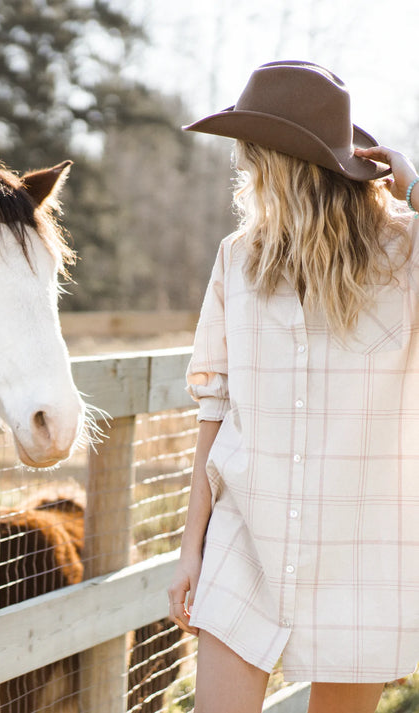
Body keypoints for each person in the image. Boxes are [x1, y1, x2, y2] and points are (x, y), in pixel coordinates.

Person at [168, 60, 419, 713]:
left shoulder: (405, 255)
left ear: (281, 163)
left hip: (360, 551)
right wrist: (189, 549)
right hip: (244, 538)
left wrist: (411, 181)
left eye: (253, 157)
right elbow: (214, 408)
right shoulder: (236, 258)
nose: (245, 173)